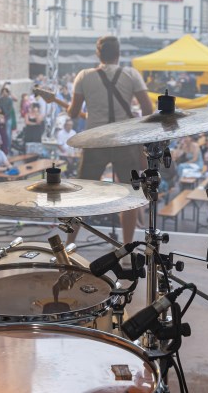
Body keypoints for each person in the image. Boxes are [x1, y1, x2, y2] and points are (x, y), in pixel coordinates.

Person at [66, 36, 154, 245]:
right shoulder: (131, 74)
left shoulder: (84, 76)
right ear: (118, 54)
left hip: (95, 142)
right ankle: (126, 247)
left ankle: (69, 244)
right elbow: (147, 109)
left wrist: (70, 108)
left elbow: (73, 113)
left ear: (98, 54)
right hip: (124, 141)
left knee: (82, 193)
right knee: (130, 195)